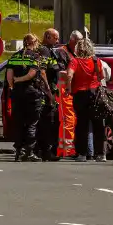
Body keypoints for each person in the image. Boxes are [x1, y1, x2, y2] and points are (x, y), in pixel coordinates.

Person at [6, 34, 51, 162]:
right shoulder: (35, 57)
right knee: (32, 123)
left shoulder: (14, 56)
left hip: (17, 94)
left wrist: (14, 85)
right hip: (32, 94)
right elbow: (33, 74)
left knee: (19, 123)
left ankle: (18, 152)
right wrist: (48, 91)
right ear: (34, 42)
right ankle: (29, 152)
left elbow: (9, 76)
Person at [64, 37, 106, 162]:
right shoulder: (95, 60)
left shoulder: (75, 61)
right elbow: (101, 76)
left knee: (82, 125)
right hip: (95, 93)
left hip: (80, 95)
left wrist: (68, 88)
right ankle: (100, 154)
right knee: (98, 124)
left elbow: (69, 74)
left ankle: (82, 154)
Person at [37, 28, 69, 161]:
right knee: (47, 122)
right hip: (46, 92)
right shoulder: (44, 50)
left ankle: (46, 151)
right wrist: (49, 91)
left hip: (52, 91)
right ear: (47, 36)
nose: (57, 41)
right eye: (55, 38)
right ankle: (45, 152)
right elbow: (42, 71)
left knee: (51, 121)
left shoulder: (52, 51)